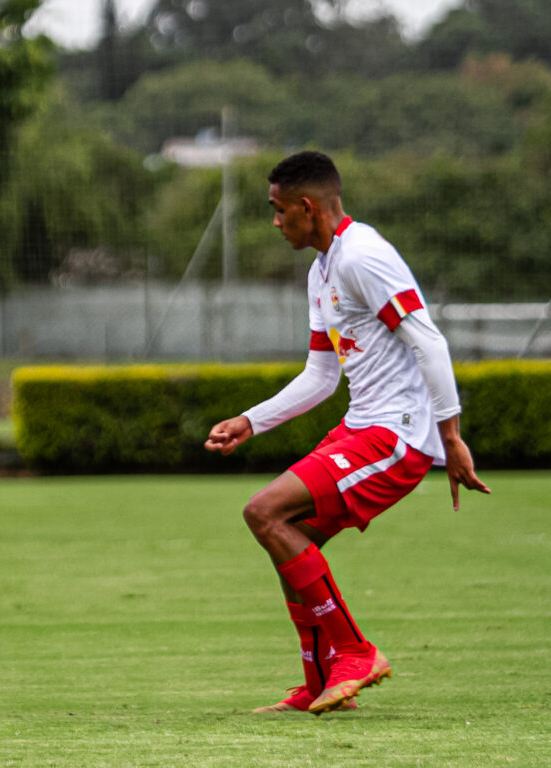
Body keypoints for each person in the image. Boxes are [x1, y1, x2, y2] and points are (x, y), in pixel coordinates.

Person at [204, 151, 490, 716]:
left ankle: (356, 653)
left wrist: (449, 435)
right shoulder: (323, 270)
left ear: (306, 207)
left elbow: (428, 341)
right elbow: (321, 375)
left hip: (396, 435)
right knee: (286, 535)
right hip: (362, 426)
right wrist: (250, 421)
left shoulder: (363, 256)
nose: (275, 221)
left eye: (278, 210)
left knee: (263, 511)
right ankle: (319, 681)